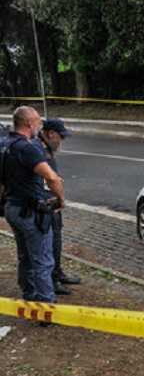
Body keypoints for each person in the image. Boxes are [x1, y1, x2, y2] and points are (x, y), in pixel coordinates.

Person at [0, 107, 66, 311]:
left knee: (24, 255)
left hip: (12, 208)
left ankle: (28, 294)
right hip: (29, 211)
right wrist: (61, 199)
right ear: (29, 123)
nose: (40, 126)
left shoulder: (4, 145)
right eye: (38, 122)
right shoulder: (27, 149)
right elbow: (51, 177)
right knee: (43, 260)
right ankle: (46, 306)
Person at [35, 118, 79, 296]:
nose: (63, 140)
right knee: (49, 244)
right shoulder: (37, 148)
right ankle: (52, 281)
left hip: (52, 202)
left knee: (56, 239)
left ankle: (57, 273)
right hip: (44, 203)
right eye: (61, 136)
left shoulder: (47, 147)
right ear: (51, 134)